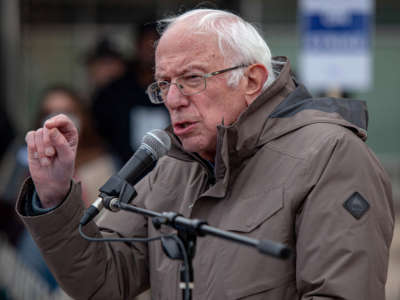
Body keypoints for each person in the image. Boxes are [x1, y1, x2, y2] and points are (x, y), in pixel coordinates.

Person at [16, 8, 394, 300]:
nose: (174, 100)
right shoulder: (170, 165)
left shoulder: (330, 155)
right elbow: (102, 281)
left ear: (251, 80)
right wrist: (54, 197)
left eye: (192, 78)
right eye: (163, 84)